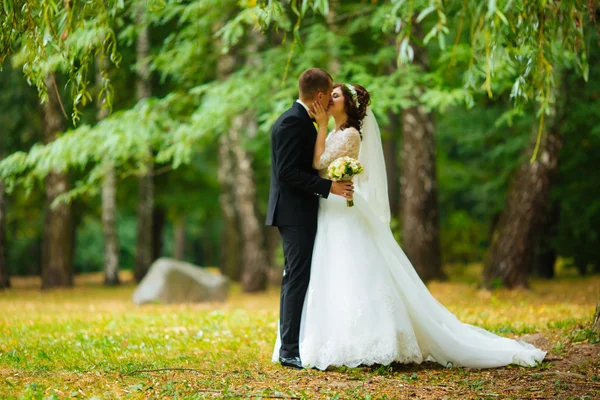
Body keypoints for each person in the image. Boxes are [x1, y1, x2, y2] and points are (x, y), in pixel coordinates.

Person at [271, 83, 547, 370]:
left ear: (348, 106)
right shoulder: (334, 132)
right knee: (329, 270)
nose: (330, 98)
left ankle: (368, 340)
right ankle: (320, 337)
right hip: (328, 209)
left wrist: (322, 127)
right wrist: (324, 129)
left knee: (351, 267)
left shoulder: (350, 134)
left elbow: (317, 162)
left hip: (341, 210)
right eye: (331, 94)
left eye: (336, 96)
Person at [266, 68, 354, 369]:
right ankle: (289, 350)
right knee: (296, 277)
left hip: (302, 210)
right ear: (319, 96)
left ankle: (295, 344)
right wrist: (329, 187)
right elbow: (287, 173)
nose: (330, 99)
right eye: (329, 94)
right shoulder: (293, 122)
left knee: (300, 276)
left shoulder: (307, 121)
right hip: (294, 213)